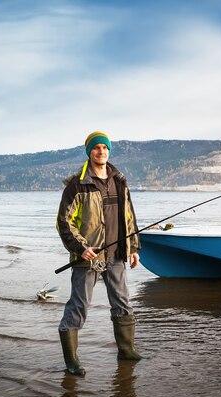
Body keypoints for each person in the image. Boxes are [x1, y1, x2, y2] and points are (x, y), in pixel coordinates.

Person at [56, 131, 143, 376]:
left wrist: (133, 248)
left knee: (123, 304)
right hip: (89, 258)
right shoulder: (76, 184)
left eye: (105, 147)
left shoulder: (119, 180)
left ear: (109, 151)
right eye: (96, 148)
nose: (101, 151)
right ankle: (72, 362)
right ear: (89, 152)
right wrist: (81, 248)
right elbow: (64, 222)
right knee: (79, 307)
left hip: (117, 255)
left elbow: (129, 216)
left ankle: (126, 351)